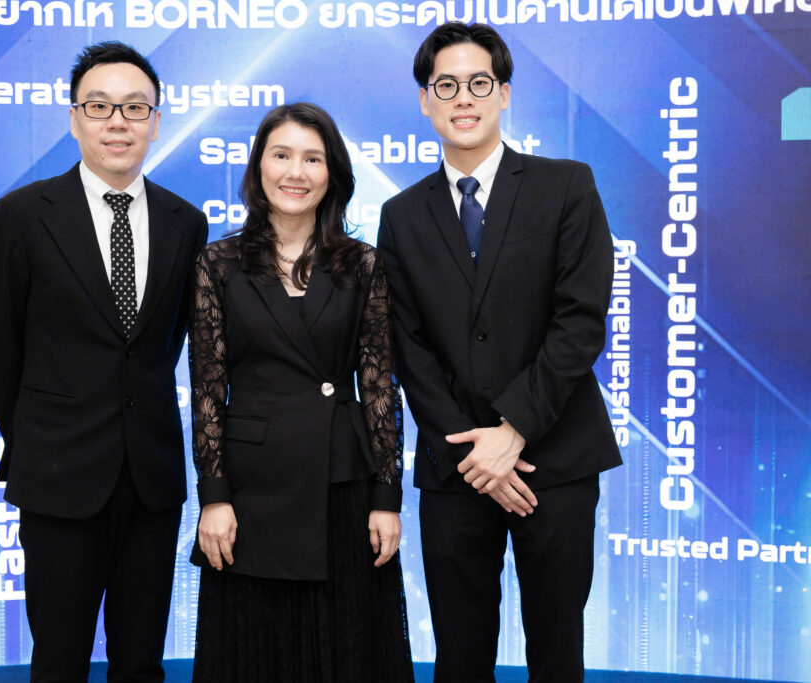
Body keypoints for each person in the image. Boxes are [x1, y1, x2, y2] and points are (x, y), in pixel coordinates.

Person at [376, 22, 623, 683]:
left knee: (556, 650)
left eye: (479, 83)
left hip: (555, 458)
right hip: (455, 468)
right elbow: (409, 347)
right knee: (460, 655)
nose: (463, 98)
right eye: (446, 85)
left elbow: (580, 322)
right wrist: (473, 452)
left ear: (504, 94)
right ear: (425, 100)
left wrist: (512, 432)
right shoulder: (401, 215)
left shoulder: (565, 185)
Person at [0, 41, 208, 683]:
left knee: (141, 663)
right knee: (59, 662)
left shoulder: (185, 222)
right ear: (74, 118)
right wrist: (37, 439)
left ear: (155, 121)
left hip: (151, 479)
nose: (118, 122)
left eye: (135, 108)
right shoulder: (24, 216)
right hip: (57, 476)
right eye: (99, 106)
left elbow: (169, 341)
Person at [187, 102, 414, 683]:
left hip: (341, 484)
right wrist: (213, 497)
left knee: (348, 652)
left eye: (313, 159)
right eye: (282, 155)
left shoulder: (362, 263)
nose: (296, 172)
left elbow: (379, 385)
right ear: (259, 167)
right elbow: (208, 388)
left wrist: (387, 497)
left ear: (332, 173)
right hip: (251, 492)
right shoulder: (219, 263)